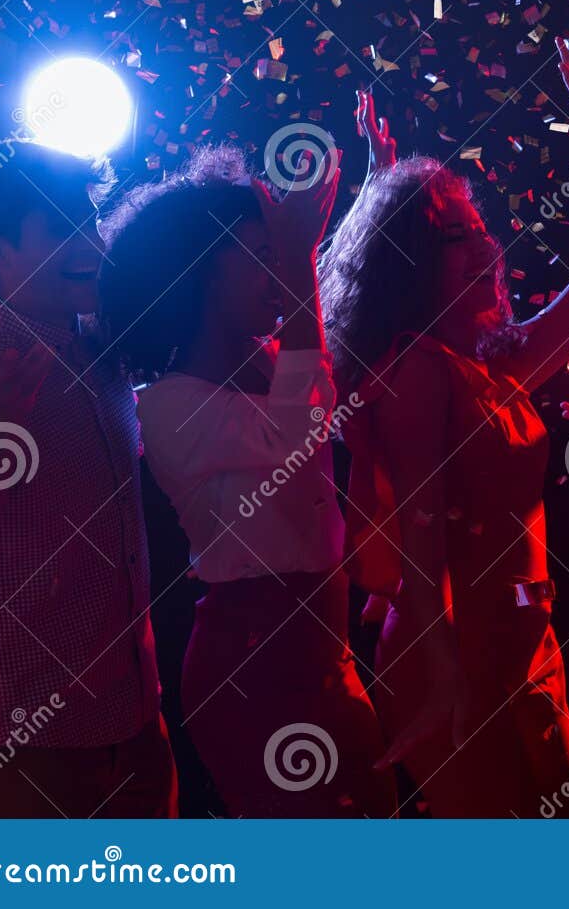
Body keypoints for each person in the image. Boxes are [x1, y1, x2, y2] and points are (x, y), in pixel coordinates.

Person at [317, 34, 569, 816]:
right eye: (452, 233)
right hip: (451, 650)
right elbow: (421, 534)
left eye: (474, 226)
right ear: (410, 259)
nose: (482, 243)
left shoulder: (494, 361)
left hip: (529, 640)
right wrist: (447, 675)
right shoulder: (418, 369)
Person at [97, 144, 395, 817]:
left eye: (279, 252)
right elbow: (296, 431)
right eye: (259, 253)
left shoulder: (273, 361)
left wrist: (372, 193)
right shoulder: (167, 402)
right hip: (254, 663)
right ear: (198, 272)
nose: (280, 269)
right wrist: (296, 262)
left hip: (324, 648)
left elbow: (327, 362)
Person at [0, 140, 174, 818]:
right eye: (61, 226)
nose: (89, 240)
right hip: (28, 732)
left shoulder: (105, 346)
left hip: (137, 717)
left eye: (89, 219)